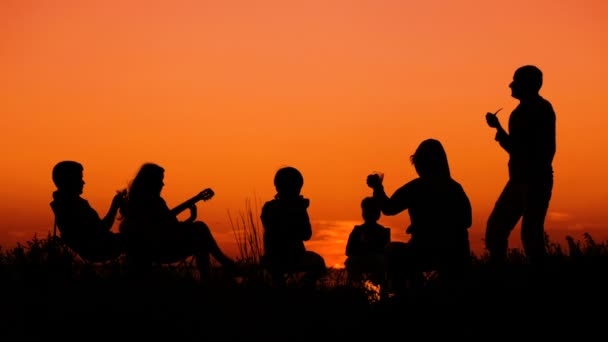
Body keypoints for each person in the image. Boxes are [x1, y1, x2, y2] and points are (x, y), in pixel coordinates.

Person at [367, 139, 472, 290]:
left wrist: (377, 188)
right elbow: (468, 221)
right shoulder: (455, 188)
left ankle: (401, 296)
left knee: (392, 250)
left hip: (424, 250)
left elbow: (389, 208)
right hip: (456, 253)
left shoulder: (416, 188)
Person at [484, 65, 556, 266]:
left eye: (516, 81)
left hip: (535, 181)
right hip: (519, 180)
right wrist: (498, 128)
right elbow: (517, 149)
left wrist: (499, 130)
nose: (511, 84)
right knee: (496, 229)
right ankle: (500, 275)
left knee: (530, 236)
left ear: (528, 84)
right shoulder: (519, 113)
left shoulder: (541, 110)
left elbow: (534, 150)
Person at [118, 163, 236, 279]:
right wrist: (196, 201)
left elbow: (171, 227)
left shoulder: (137, 201)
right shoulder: (149, 202)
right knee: (200, 231)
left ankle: (219, 270)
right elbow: (164, 227)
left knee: (200, 237)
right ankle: (220, 268)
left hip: (158, 247)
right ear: (151, 182)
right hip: (158, 250)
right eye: (160, 180)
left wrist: (190, 219)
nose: (163, 184)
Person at [260, 166, 327, 288]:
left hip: (282, 257)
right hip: (280, 257)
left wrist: (299, 209)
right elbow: (303, 234)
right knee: (318, 263)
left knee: (318, 263)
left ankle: (298, 289)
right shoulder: (272, 207)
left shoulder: (270, 207)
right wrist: (297, 210)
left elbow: (306, 234)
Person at [49, 160, 124, 262]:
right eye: (79, 178)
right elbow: (101, 230)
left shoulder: (64, 204)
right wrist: (114, 206)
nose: (83, 182)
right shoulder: (73, 206)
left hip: (98, 247)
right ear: (69, 181)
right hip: (100, 249)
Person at [344, 196, 390, 285]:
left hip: (376, 262)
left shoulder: (383, 232)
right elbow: (349, 251)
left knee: (381, 262)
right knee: (351, 262)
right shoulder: (357, 230)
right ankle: (356, 289)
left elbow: (385, 253)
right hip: (360, 261)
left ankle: (378, 290)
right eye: (366, 210)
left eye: (372, 211)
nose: (368, 213)